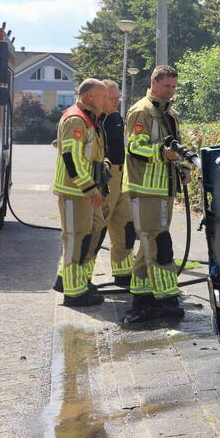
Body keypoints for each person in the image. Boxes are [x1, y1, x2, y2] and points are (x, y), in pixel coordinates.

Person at [122, 64, 187, 323]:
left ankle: (142, 297)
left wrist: (181, 166)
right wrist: (162, 153)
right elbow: (135, 148)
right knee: (159, 243)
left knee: (148, 244)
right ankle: (166, 299)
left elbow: (176, 146)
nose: (170, 91)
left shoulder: (170, 112)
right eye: (166, 86)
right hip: (146, 189)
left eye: (173, 87)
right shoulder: (142, 111)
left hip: (164, 187)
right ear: (153, 82)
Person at [51, 78, 108, 307]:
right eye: (103, 96)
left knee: (93, 232)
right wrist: (89, 187)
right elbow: (71, 158)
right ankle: (74, 293)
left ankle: (77, 283)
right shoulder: (76, 119)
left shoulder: (88, 118)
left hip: (86, 191)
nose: (107, 101)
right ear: (90, 97)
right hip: (75, 192)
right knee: (76, 239)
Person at [98, 80, 136, 287]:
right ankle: (82, 279)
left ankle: (123, 274)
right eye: (113, 98)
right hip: (105, 177)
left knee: (124, 227)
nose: (117, 101)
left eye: (118, 97)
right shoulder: (95, 120)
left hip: (122, 177)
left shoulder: (115, 117)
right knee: (97, 229)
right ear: (101, 98)